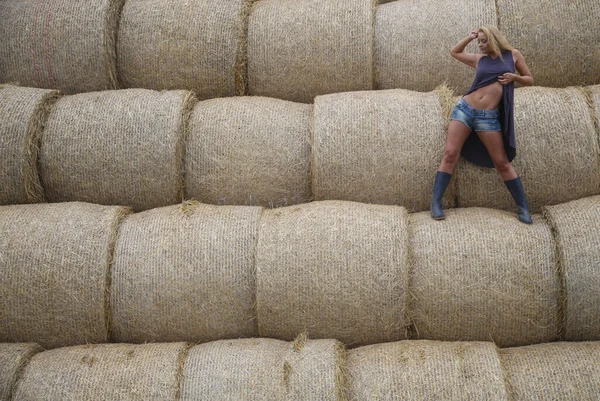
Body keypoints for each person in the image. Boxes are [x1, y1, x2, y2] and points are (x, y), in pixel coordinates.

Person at [430, 26, 534, 224]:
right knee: (450, 154)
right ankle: (436, 203)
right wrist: (469, 37)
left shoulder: (513, 56)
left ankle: (523, 208)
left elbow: (530, 79)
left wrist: (515, 78)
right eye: (479, 41)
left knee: (502, 162)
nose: (480, 45)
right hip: (464, 109)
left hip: (488, 117)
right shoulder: (479, 59)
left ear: (494, 40)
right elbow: (455, 52)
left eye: (484, 41)